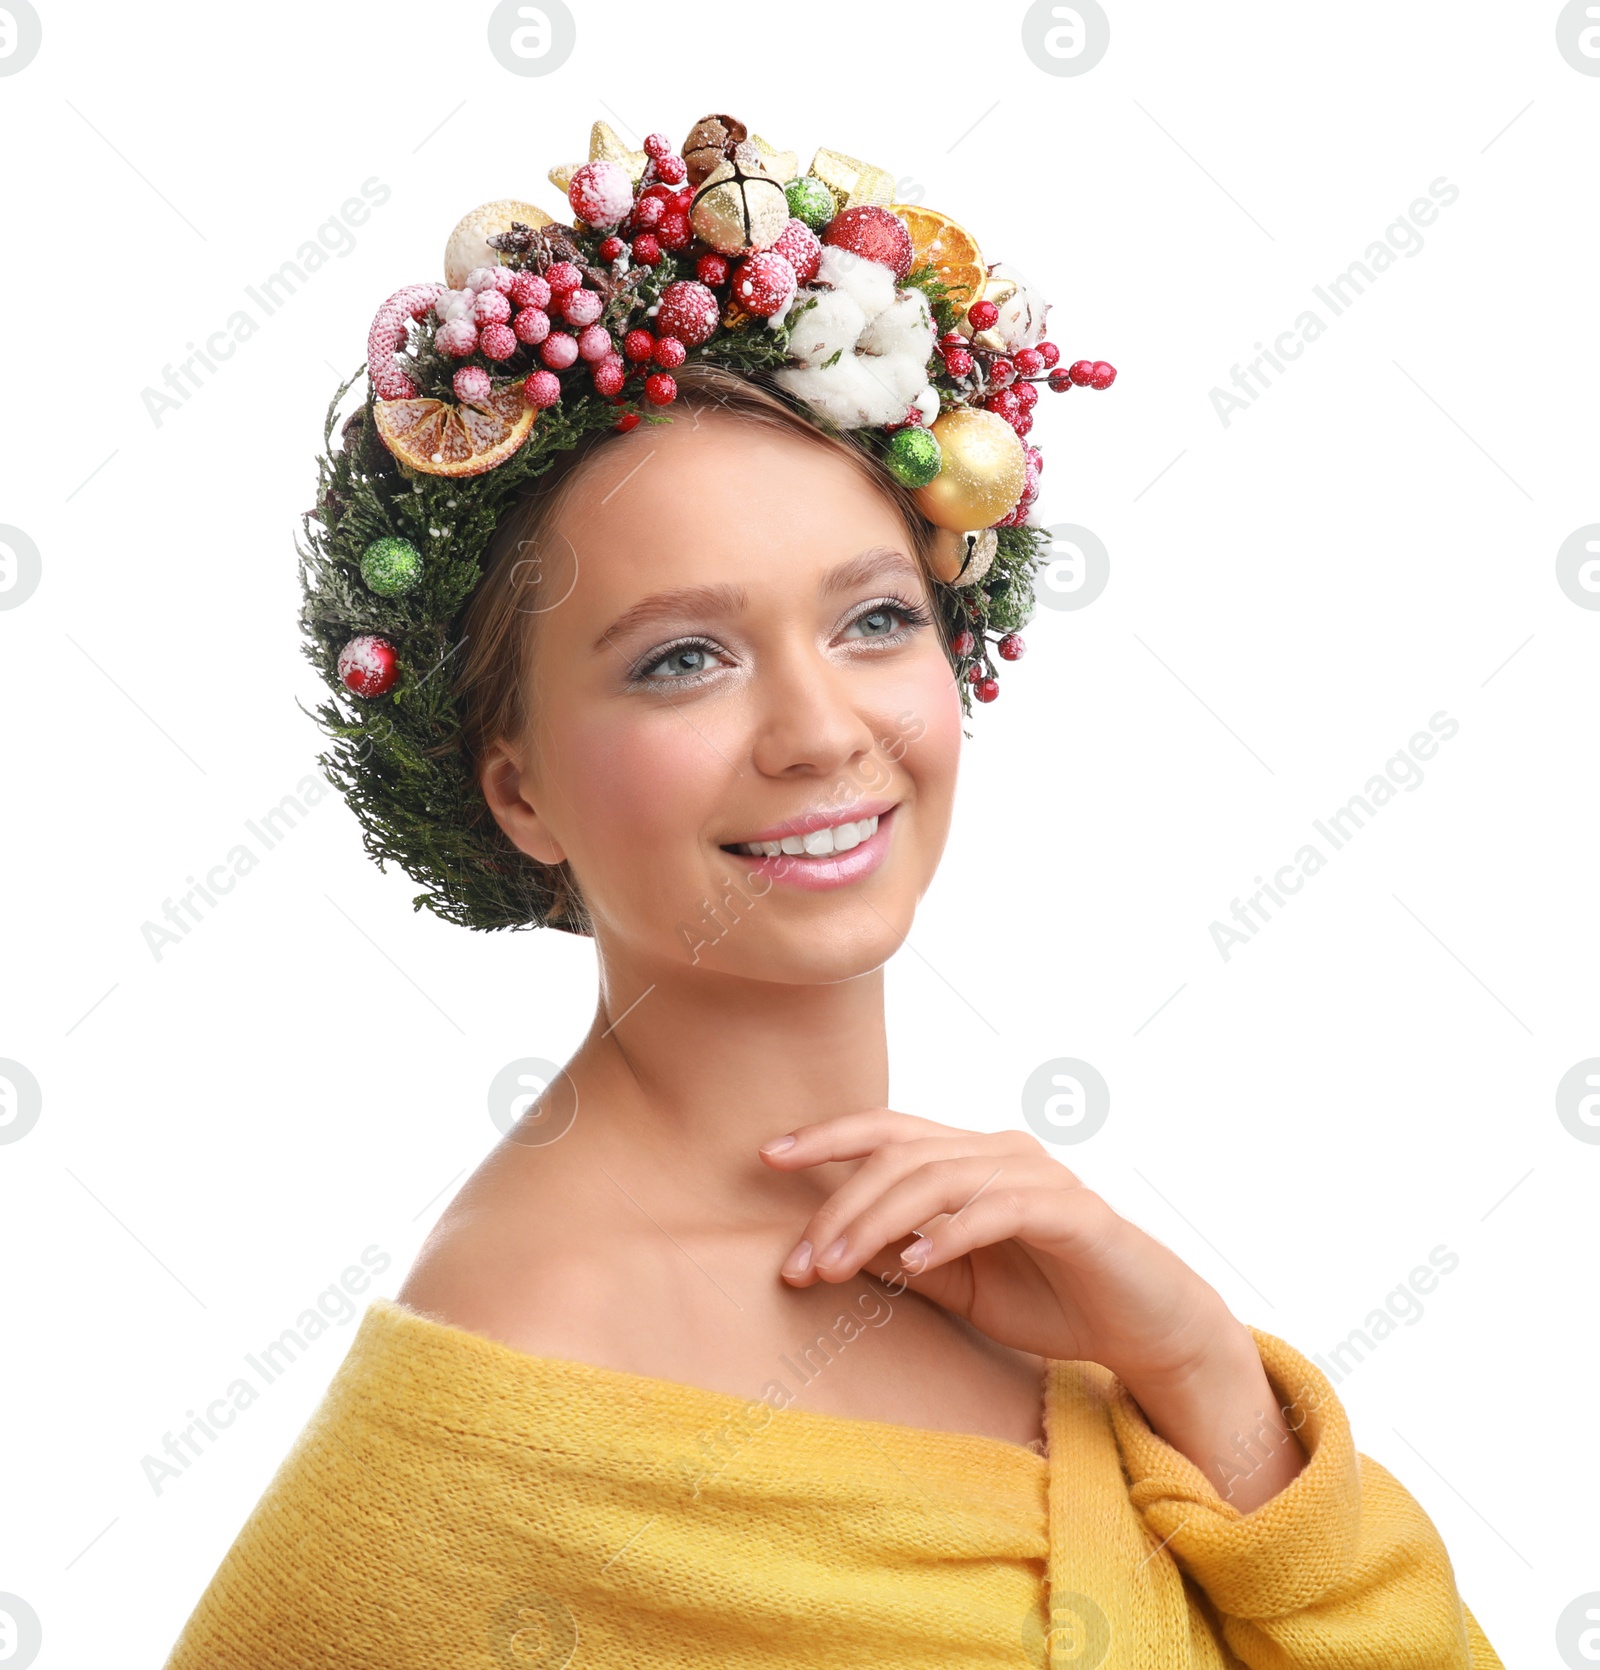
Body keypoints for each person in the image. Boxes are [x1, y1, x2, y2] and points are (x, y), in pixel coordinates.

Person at [163, 116, 1504, 1669]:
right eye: (684, 659)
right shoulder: (508, 1394)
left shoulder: (1037, 1284)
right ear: (514, 784)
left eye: (873, 618)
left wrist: (1204, 1375)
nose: (820, 733)